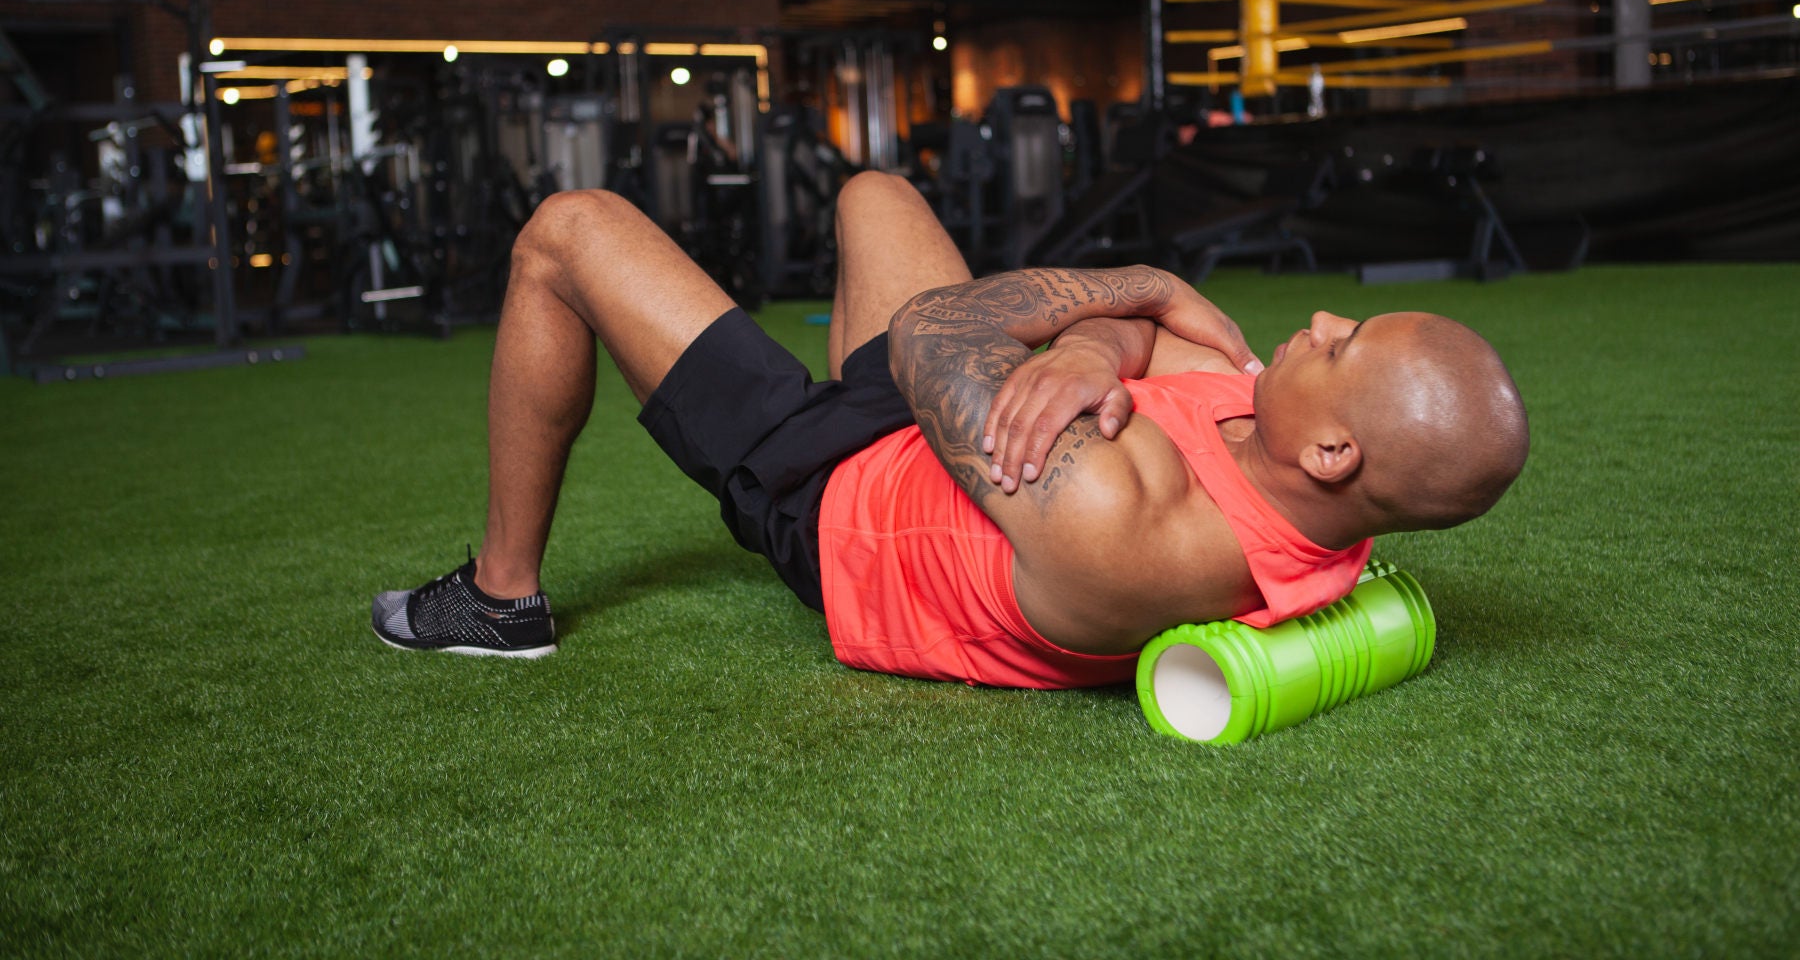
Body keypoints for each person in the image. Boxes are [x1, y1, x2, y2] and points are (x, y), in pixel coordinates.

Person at [371, 171, 1528, 687]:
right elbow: (1133, 345)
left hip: (836, 500)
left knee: (569, 230)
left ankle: (500, 598)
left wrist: (1142, 281)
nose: (1319, 319)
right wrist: (1087, 347)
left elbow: (935, 332)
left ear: (1338, 453)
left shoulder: (1123, 526)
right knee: (877, 194)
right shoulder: (1269, 419)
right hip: (943, 423)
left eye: (1347, 340)